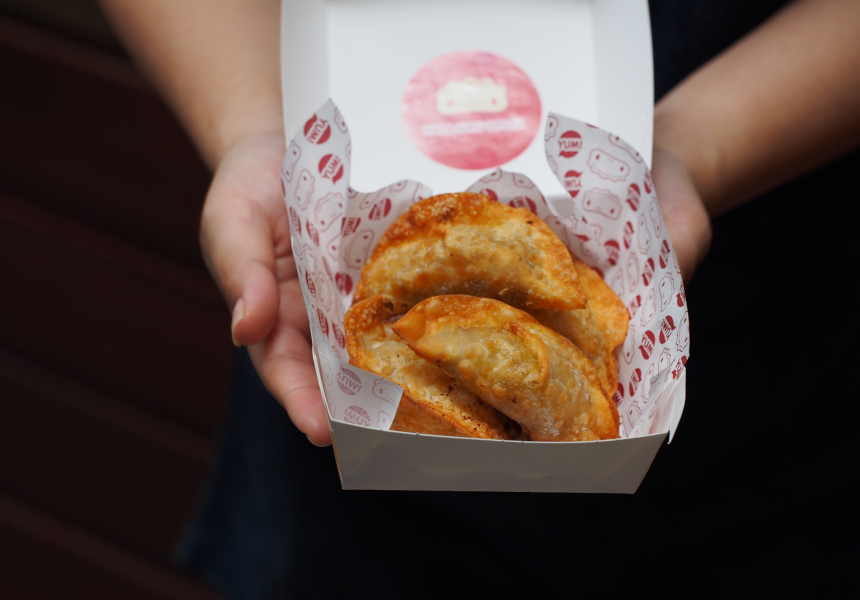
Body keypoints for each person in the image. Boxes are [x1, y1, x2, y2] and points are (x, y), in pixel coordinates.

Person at [99, 0, 860, 598]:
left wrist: (689, 150)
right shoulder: (382, 321)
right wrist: (263, 130)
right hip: (350, 438)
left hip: (763, 381)